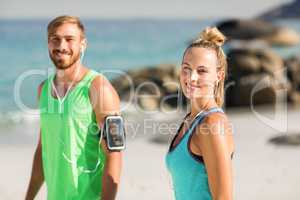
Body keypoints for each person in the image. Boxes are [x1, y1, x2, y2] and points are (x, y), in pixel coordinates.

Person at [25, 15, 122, 200]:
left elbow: (114, 155)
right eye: (55, 39)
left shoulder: (99, 88)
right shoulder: (43, 90)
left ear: (83, 44)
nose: (62, 46)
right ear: (48, 43)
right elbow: (43, 148)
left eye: (69, 39)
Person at [165, 27, 235, 200]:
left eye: (202, 71)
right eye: (186, 69)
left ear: (219, 75)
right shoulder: (190, 120)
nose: (191, 77)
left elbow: (223, 197)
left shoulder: (212, 123)